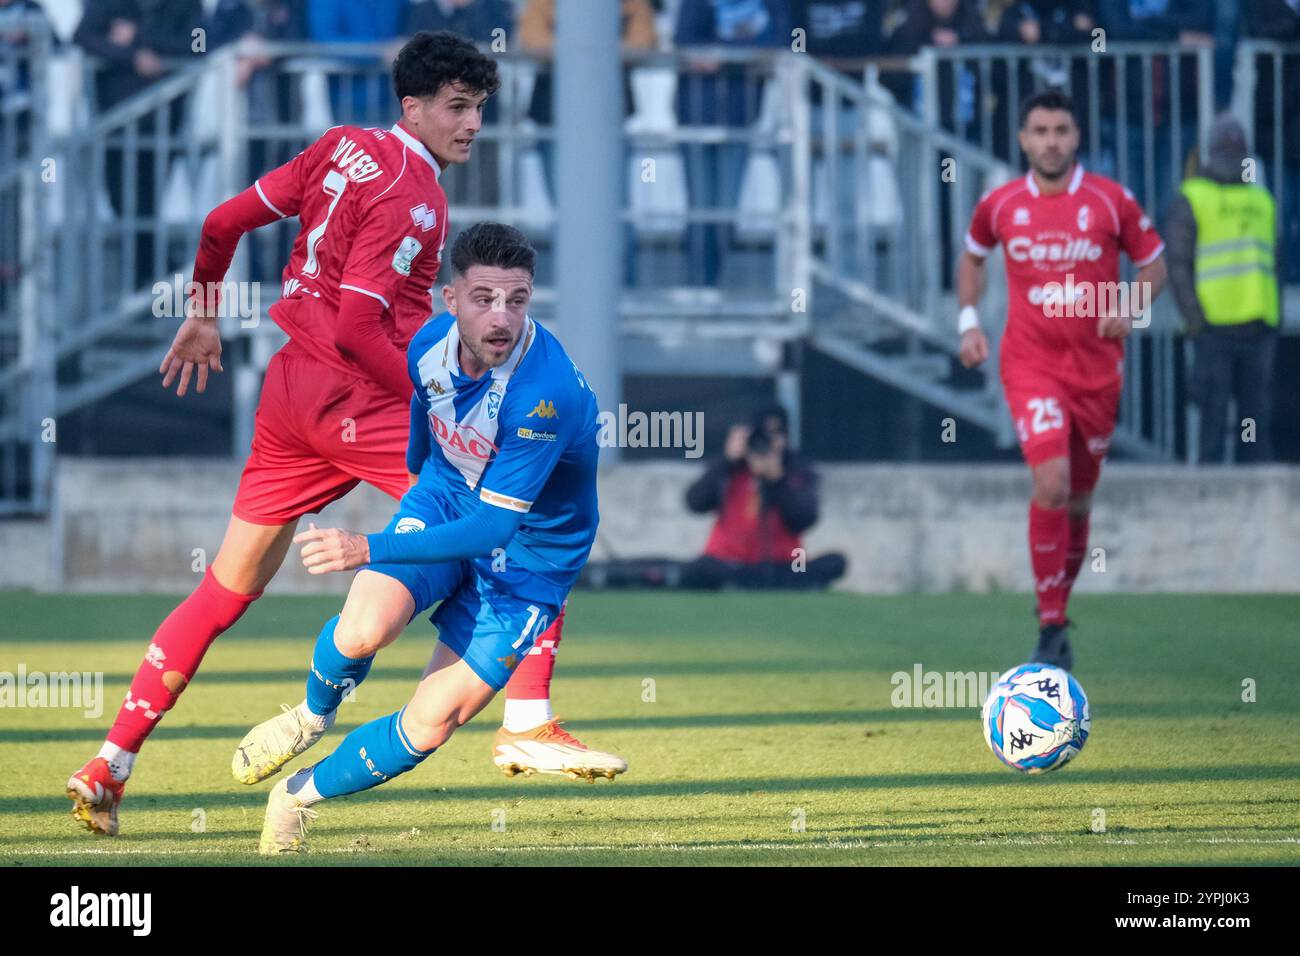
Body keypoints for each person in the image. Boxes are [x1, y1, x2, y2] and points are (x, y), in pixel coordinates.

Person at [66, 31, 618, 839]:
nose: (472, 125)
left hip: (289, 391)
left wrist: (203, 312)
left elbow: (223, 222)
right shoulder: (419, 199)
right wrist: (437, 403)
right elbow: (361, 325)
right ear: (415, 107)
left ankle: (111, 763)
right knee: (516, 514)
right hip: (367, 399)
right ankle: (527, 716)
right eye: (458, 108)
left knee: (225, 589)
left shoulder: (338, 148)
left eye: (479, 109)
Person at [242, 223, 611, 854]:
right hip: (446, 502)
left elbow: (496, 528)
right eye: (483, 298)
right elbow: (424, 418)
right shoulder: (428, 344)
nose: (502, 317)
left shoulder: (542, 396)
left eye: (517, 300)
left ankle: (296, 795)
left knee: (431, 722)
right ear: (450, 300)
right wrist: (419, 500)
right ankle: (310, 716)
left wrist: (370, 547)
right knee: (364, 625)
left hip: (530, 556)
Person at [958, 90, 1167, 670]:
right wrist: (969, 322)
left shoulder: (1109, 201)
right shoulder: (1000, 204)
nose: (1051, 141)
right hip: (1030, 364)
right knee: (1050, 482)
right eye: (1041, 130)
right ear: (1023, 139)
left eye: (1062, 130)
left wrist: (1131, 305)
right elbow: (972, 256)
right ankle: (1050, 623)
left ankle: (1057, 606)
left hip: (1097, 372)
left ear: (1077, 138)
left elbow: (1155, 264)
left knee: (1077, 498)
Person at [1167, 114, 1279, 463]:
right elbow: (1178, 265)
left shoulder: (1254, 200)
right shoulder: (1205, 198)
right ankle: (1220, 490)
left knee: (1248, 418)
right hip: (1222, 327)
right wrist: (1196, 319)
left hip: (1245, 327)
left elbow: (1179, 264)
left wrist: (1195, 318)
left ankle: (1247, 486)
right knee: (1225, 416)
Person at [681, 403, 846, 590]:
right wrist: (725, 461)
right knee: (698, 569)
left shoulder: (796, 468)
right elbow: (694, 503)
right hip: (730, 562)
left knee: (834, 562)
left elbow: (805, 519)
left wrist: (778, 479)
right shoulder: (729, 468)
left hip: (783, 564)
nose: (768, 443)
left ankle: (752, 584)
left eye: (776, 435)